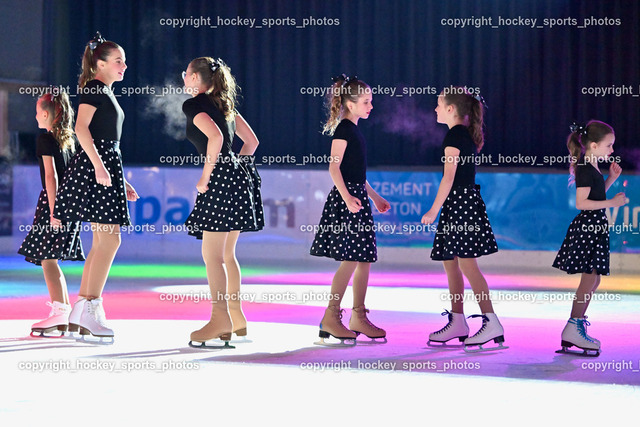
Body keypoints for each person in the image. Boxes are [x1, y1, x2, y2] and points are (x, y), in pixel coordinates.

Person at [53, 32, 139, 342]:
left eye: (123, 61)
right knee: (109, 240)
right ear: (100, 64)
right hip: (96, 168)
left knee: (104, 241)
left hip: (104, 167)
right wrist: (101, 167)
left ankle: (84, 308)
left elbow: (107, 142)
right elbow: (81, 129)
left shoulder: (104, 91)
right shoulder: (93, 88)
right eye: (118, 61)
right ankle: (89, 308)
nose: (124, 66)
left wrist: (120, 179)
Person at [181, 57, 263, 348]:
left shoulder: (193, 105)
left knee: (212, 255)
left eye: (186, 73)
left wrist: (206, 176)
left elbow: (215, 137)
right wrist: (234, 167)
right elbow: (251, 143)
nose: (183, 78)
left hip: (219, 179)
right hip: (239, 177)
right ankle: (236, 317)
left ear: (194, 78)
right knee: (227, 254)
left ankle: (220, 319)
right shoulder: (226, 105)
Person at [421, 87, 505, 352]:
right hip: (460, 204)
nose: (435, 109)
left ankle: (492, 321)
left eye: (438, 104)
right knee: (451, 263)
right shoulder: (461, 134)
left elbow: (448, 178)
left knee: (468, 266)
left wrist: (433, 210)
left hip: (461, 205)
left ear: (450, 109)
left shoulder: (455, 135)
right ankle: (458, 321)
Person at [310, 74, 390, 346]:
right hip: (348, 201)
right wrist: (346, 198)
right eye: (366, 102)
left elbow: (356, 174)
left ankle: (358, 316)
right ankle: (331, 316)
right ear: (350, 104)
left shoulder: (354, 130)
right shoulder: (344, 129)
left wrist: (375, 197)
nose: (371, 106)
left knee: (363, 258)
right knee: (352, 259)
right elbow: (334, 167)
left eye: (370, 101)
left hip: (357, 198)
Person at [553, 120, 627, 357]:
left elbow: (595, 194)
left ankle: (576, 325)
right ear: (594, 145)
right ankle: (573, 326)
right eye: (609, 145)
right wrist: (612, 202)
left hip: (595, 227)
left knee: (594, 280)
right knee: (589, 279)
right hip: (588, 228)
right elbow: (581, 203)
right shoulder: (585, 167)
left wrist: (611, 180)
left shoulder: (592, 164)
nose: (612, 150)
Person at [18, 92, 84, 336]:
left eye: (37, 112)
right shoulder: (71, 140)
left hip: (54, 203)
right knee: (51, 259)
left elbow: (50, 175)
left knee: (48, 259)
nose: (36, 116)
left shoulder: (46, 139)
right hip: (71, 205)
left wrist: (54, 210)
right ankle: (63, 311)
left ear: (46, 114)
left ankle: (60, 312)